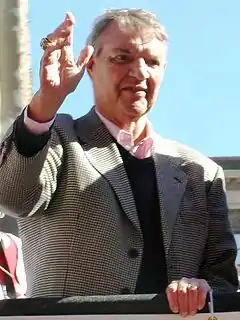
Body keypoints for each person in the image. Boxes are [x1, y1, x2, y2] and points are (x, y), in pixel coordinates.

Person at [0, 8, 238, 316]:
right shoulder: (58, 136)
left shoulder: (200, 172)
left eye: (151, 62)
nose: (139, 72)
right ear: (90, 66)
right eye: (121, 58)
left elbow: (223, 283)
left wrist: (203, 289)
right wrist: (44, 106)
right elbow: (12, 196)